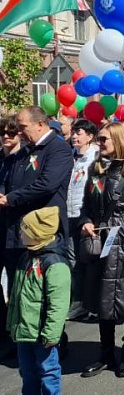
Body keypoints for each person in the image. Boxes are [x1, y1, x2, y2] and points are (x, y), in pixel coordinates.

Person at [78, 123, 124, 379]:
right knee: (103, 299)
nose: (99, 142)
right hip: (101, 243)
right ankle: (105, 353)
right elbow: (86, 206)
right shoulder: (95, 170)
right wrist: (85, 221)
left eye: (103, 138)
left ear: (118, 140)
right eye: (98, 138)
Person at [1, 106, 73, 311]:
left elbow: (47, 184)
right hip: (17, 230)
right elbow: (10, 180)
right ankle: (19, 337)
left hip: (44, 231)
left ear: (40, 124)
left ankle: (50, 340)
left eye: (23, 127)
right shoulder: (24, 151)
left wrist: (11, 198)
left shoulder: (58, 149)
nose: (20, 132)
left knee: (41, 290)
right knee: (19, 286)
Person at [7, 207, 70, 395]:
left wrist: (52, 334)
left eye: (24, 230)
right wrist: (12, 324)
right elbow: (15, 296)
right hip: (24, 331)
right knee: (27, 372)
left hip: (42, 334)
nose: (20, 233)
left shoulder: (55, 264)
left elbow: (59, 304)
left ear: (38, 234)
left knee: (48, 372)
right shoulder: (25, 257)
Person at [65, 119, 98, 321]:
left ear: (90, 136)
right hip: (69, 214)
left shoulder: (95, 157)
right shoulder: (71, 157)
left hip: (85, 216)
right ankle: (79, 302)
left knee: (88, 261)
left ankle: (89, 302)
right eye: (74, 133)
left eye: (80, 133)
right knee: (73, 261)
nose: (75, 137)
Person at [0, 115, 25, 356]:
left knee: (18, 284)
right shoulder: (1, 158)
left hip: (17, 229)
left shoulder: (27, 158)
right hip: (1, 227)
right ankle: (5, 331)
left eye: (11, 132)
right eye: (3, 132)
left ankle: (20, 337)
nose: (6, 137)